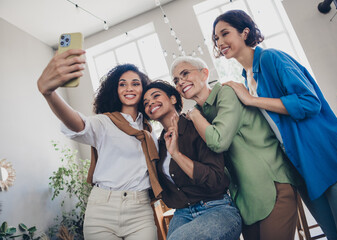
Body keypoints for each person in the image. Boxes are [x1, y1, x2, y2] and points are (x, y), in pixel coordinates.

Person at [212, 9, 337, 240]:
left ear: (245, 32)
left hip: (328, 155)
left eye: (224, 33)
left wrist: (252, 100)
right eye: (216, 38)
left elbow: (310, 102)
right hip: (301, 167)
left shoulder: (271, 58)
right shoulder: (246, 78)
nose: (219, 42)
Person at [170, 57, 299, 240]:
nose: (180, 82)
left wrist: (194, 114)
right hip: (244, 200)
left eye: (185, 74)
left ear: (205, 73)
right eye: (176, 80)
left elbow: (218, 141)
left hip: (272, 186)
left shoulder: (225, 94)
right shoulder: (201, 113)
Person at [37, 49, 159, 240]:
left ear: (143, 89)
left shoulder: (149, 132)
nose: (129, 88)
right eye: (122, 84)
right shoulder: (104, 122)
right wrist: (49, 94)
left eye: (136, 83)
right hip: (102, 210)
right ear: (114, 90)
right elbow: (78, 123)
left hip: (140, 210)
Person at [142, 80, 242, 240]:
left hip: (217, 208)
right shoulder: (159, 144)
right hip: (182, 213)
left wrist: (176, 154)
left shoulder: (196, 126)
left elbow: (215, 179)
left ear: (173, 99)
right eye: (146, 103)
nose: (151, 103)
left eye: (156, 96)